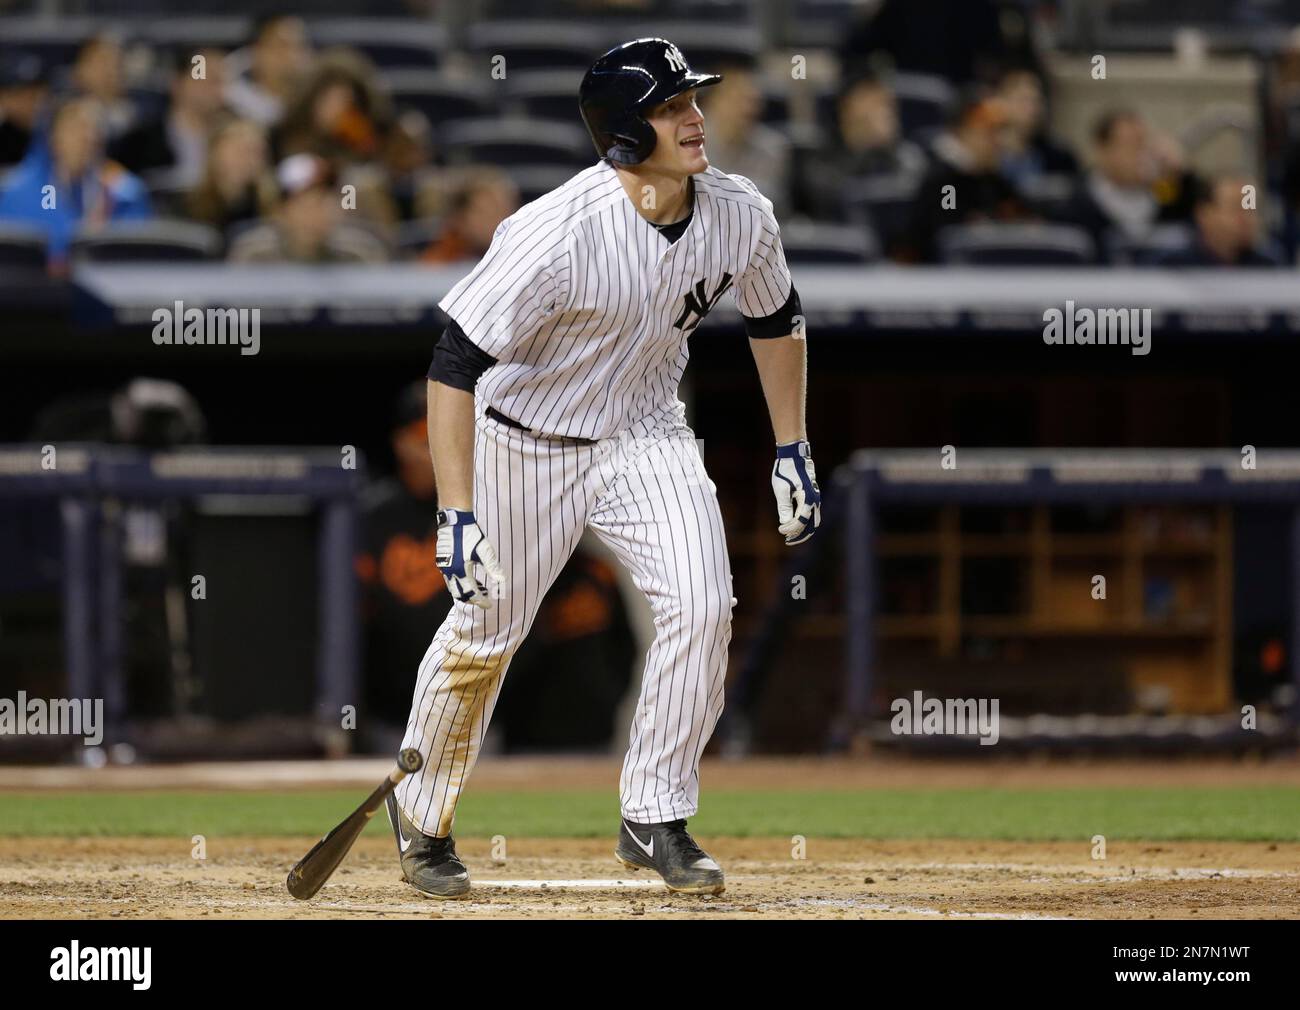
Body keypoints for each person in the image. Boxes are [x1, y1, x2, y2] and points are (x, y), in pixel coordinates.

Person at [384, 38, 821, 900]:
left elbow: (778, 320)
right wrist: (456, 510)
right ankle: (423, 813)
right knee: (484, 636)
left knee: (702, 604)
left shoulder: (740, 213)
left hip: (646, 435)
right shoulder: (555, 232)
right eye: (669, 107)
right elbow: (454, 365)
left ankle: (654, 814)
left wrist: (793, 446)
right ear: (625, 133)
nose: (694, 118)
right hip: (523, 439)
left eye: (691, 101)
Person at [0, 97, 152, 270]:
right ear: (53, 138)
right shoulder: (18, 194)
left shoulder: (125, 194)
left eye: (93, 129)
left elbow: (136, 256)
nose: (86, 137)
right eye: (75, 129)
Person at [902, 93, 1031, 262]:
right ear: (963, 131)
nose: (998, 142)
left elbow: (1028, 222)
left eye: (1000, 132)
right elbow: (947, 233)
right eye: (989, 131)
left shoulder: (994, 180)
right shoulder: (945, 184)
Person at [1056, 108, 1195, 249]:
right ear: (1103, 150)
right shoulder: (1076, 205)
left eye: (1145, 143)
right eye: (1132, 145)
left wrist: (1179, 174)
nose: (1143, 154)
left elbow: (1186, 212)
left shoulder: (1162, 192)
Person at [226, 152, 388, 263]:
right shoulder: (254, 254)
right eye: (307, 203)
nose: (319, 212)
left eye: (324, 200)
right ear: (280, 210)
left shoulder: (360, 252)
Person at [110, 47, 229, 189]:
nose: (212, 87)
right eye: (203, 77)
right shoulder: (139, 142)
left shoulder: (236, 142)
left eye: (219, 80)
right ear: (177, 82)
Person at [697, 59, 792, 219]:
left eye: (752, 100)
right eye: (737, 99)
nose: (747, 108)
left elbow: (769, 206)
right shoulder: (687, 143)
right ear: (712, 102)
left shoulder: (774, 148)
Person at [1157, 174, 1281, 266]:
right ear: (1203, 214)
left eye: (1252, 209)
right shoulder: (1174, 267)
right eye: (1236, 207)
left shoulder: (1269, 267)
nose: (1246, 218)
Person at [184, 118, 277, 233]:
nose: (248, 160)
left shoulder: (271, 209)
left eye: (257, 152)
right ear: (215, 154)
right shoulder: (188, 205)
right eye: (239, 151)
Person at [224, 14, 313, 127]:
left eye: (300, 46)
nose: (293, 55)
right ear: (257, 51)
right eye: (282, 46)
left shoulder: (317, 107)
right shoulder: (230, 103)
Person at [420, 167, 518, 264]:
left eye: (505, 210)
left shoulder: (518, 254)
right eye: (487, 213)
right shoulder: (436, 264)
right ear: (460, 217)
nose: (501, 220)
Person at [0, 51, 51, 167]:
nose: (29, 103)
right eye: (20, 94)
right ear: (3, 97)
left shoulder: (55, 137)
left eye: (35, 94)